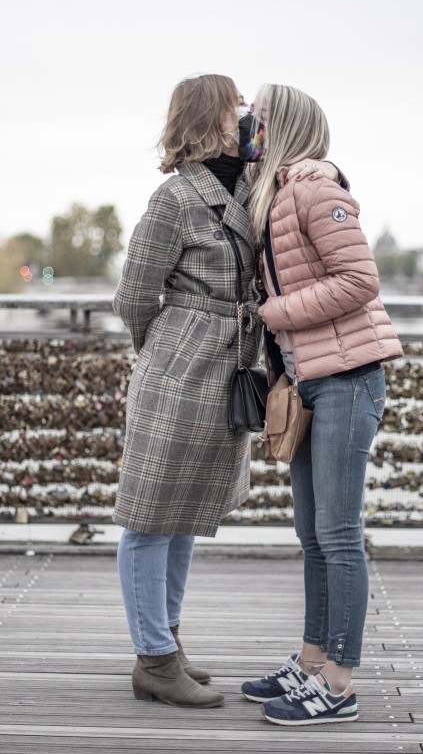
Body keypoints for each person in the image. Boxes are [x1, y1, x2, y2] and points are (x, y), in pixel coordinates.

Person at [112, 74, 343, 709]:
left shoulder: (249, 186)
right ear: (212, 116)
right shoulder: (173, 199)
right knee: (149, 514)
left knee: (186, 512)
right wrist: (165, 349)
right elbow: (133, 296)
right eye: (236, 104)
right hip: (180, 366)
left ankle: (168, 642)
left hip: (230, 367)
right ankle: (153, 659)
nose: (247, 115)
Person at [238, 83, 404, 726]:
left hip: (349, 377)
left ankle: (339, 683)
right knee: (313, 536)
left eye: (258, 119)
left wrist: (274, 313)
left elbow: (360, 281)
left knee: (337, 536)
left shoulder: (312, 189)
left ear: (283, 126)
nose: (249, 126)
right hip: (312, 381)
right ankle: (311, 662)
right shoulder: (280, 190)